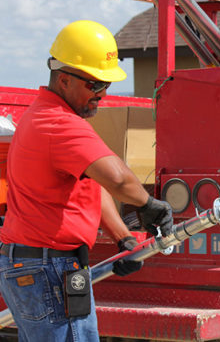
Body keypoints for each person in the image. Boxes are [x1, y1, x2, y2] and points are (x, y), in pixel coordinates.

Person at [0, 20, 173, 342]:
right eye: (94, 85)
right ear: (64, 79)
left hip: (44, 267)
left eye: (105, 85)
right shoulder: (59, 125)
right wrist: (148, 205)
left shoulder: (47, 117)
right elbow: (118, 179)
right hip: (47, 269)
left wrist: (124, 239)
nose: (102, 94)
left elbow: (93, 185)